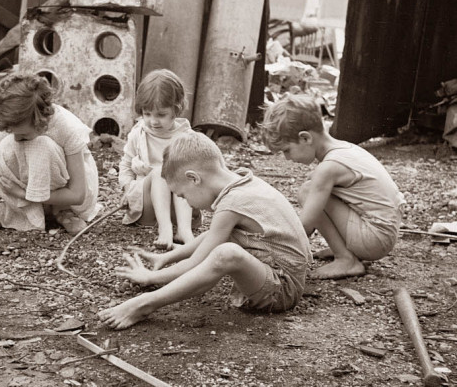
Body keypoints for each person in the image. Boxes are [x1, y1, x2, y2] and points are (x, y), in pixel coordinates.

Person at [99, 131, 310, 330]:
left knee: (226, 254)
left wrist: (152, 278)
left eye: (182, 195)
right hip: (284, 274)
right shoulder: (244, 182)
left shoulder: (232, 203)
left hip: (282, 291)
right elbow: (213, 236)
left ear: (194, 178)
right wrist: (169, 257)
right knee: (224, 239)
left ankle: (144, 304)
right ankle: (151, 289)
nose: (186, 201)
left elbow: (196, 263)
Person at [0, 73, 100, 242]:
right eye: (12, 132)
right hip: (34, 193)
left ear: (40, 121)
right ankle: (28, 212)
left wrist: (23, 194)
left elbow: (78, 194)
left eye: (22, 134)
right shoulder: (13, 124)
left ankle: (62, 211)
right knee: (5, 145)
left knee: (41, 144)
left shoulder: (65, 126)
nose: (16, 138)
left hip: (70, 200)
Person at [261, 94, 405, 279]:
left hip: (375, 239)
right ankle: (345, 250)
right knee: (312, 187)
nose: (287, 158)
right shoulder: (344, 149)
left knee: (307, 192)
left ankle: (346, 259)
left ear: (305, 138)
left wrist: (273, 244)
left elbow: (305, 225)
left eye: (287, 150)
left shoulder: (328, 168)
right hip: (383, 232)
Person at [119, 69, 198, 249]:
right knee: (158, 172)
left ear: (176, 110)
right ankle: (165, 229)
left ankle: (184, 230)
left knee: (182, 172)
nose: (153, 121)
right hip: (147, 207)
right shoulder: (138, 134)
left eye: (161, 115)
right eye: (147, 114)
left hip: (178, 210)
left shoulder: (186, 137)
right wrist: (126, 189)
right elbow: (125, 164)